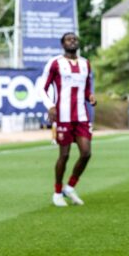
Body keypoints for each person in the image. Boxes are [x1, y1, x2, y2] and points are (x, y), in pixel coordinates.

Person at [40, 32, 96, 207]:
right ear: (62, 44)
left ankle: (70, 187)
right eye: (69, 39)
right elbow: (42, 88)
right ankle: (57, 192)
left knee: (86, 153)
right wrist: (50, 105)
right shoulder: (55, 63)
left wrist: (91, 97)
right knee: (64, 155)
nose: (73, 41)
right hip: (63, 116)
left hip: (81, 116)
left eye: (75, 39)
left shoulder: (86, 63)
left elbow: (86, 89)